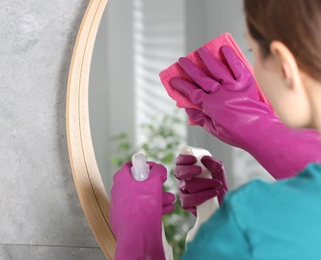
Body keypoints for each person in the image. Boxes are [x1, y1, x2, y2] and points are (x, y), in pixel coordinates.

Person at [110, 0, 321, 259]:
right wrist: (261, 130)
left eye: (251, 51)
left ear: (283, 64)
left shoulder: (248, 229)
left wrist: (138, 235)